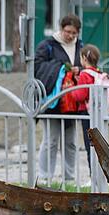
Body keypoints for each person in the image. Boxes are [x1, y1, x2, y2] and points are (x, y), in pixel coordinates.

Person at [34, 14, 83, 183]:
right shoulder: (47, 45)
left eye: (74, 33)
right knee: (51, 140)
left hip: (72, 102)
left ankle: (69, 179)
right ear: (61, 29)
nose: (70, 36)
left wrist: (78, 70)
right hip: (53, 101)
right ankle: (45, 177)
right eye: (67, 31)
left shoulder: (81, 47)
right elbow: (38, 68)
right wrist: (63, 68)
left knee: (70, 142)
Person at [70, 44, 101, 167]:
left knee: (90, 146)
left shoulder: (84, 74)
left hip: (87, 113)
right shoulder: (98, 73)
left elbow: (80, 96)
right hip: (98, 112)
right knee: (100, 146)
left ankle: (92, 175)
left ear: (84, 58)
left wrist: (72, 89)